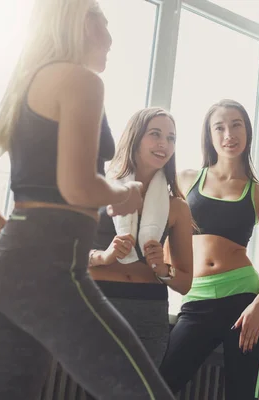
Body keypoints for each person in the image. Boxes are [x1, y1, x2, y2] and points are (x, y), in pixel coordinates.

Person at [0, 0, 176, 398]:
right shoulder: (81, 81)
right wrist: (124, 193)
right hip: (50, 270)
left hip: (3, 268)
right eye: (105, 22)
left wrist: (9, 238)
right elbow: (77, 187)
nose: (112, 39)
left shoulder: (26, 89)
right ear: (83, 22)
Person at [159, 99, 259, 400]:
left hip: (243, 303)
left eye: (236, 125)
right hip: (197, 300)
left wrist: (258, 306)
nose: (229, 134)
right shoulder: (186, 180)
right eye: (220, 127)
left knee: (241, 395)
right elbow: (165, 246)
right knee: (158, 386)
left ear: (247, 131)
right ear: (210, 136)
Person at [89, 107, 193, 366]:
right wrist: (103, 256)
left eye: (171, 138)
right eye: (155, 134)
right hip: (100, 305)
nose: (164, 144)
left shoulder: (177, 207)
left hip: (149, 313)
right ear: (135, 138)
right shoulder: (98, 190)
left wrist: (162, 268)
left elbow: (184, 283)